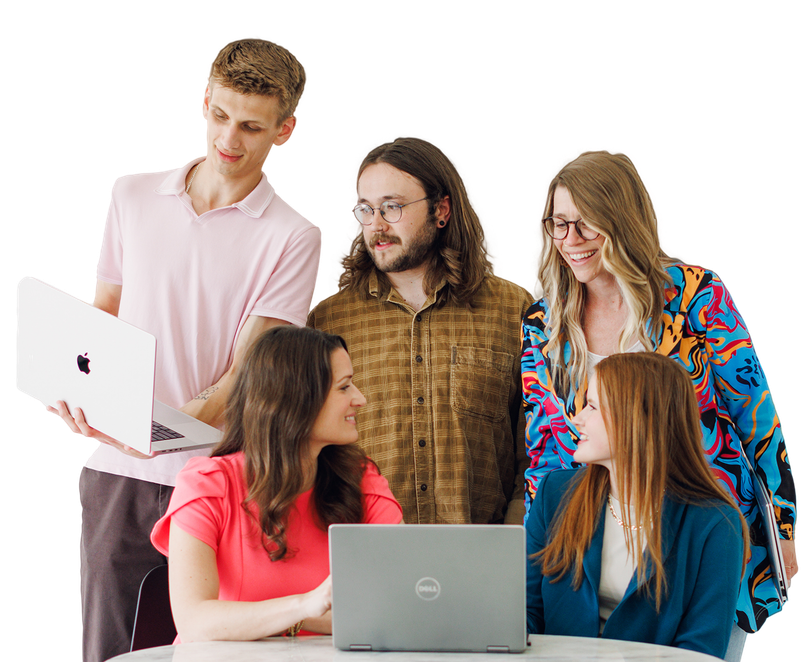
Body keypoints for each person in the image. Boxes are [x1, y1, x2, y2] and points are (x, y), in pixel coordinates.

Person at [58, 38, 322, 662]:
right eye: (220, 116)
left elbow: (249, 372)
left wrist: (162, 431)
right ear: (205, 100)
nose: (230, 138)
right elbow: (106, 318)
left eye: (252, 126)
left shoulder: (293, 236)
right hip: (116, 474)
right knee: (108, 650)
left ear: (285, 130)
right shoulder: (131, 195)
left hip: (220, 474)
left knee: (206, 651)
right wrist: (76, 388)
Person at [521, 148, 797, 660]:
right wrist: (542, 544)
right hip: (593, 519)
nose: (569, 242)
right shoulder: (546, 319)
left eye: (586, 225)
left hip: (696, 520)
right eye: (558, 225)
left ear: (621, 221)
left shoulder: (695, 294)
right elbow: (542, 445)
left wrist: (782, 524)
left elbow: (757, 418)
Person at [307, 134, 533, 525]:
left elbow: (534, 448)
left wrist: (513, 542)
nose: (376, 225)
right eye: (366, 209)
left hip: (482, 557)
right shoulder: (327, 323)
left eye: (392, 207)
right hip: (369, 557)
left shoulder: (513, 310)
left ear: (441, 209)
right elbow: (312, 452)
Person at [150, 326, 403, 642]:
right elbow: (194, 620)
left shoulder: (362, 480)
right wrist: (305, 606)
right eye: (344, 387)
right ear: (295, 400)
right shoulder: (207, 485)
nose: (360, 399)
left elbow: (397, 610)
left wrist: (288, 620)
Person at [526, 352, 749, 659]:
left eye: (591, 406)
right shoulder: (555, 493)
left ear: (635, 418)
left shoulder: (715, 523)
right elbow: (525, 614)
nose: (577, 418)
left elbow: (701, 650)